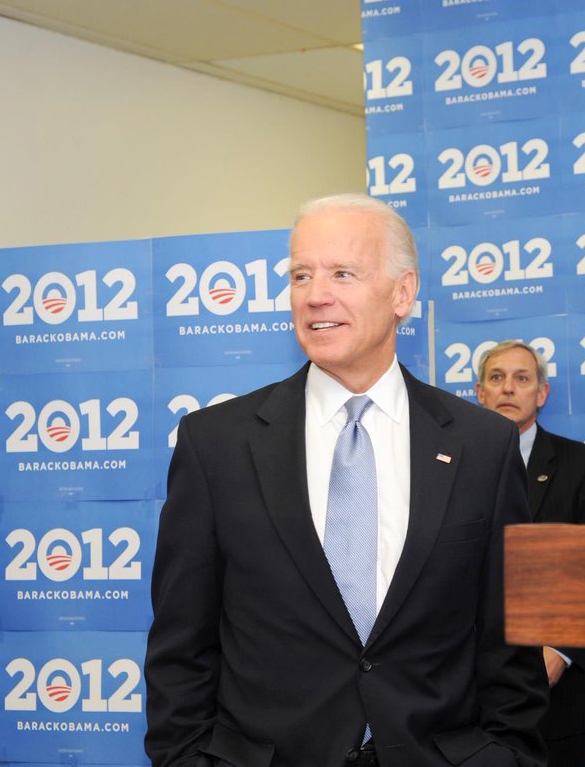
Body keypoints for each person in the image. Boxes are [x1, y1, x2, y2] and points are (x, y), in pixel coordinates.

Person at [145, 194, 548, 767]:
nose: (315, 295)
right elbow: (181, 647)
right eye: (301, 274)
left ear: (402, 294)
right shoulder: (217, 444)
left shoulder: (482, 445)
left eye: (342, 273)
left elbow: (510, 645)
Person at [474, 341, 585, 767]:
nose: (508, 389)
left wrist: (561, 649)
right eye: (496, 378)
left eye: (522, 379)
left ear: (542, 394)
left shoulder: (583, 465)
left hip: (557, 689)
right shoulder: (447, 465)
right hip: (463, 692)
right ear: (479, 393)